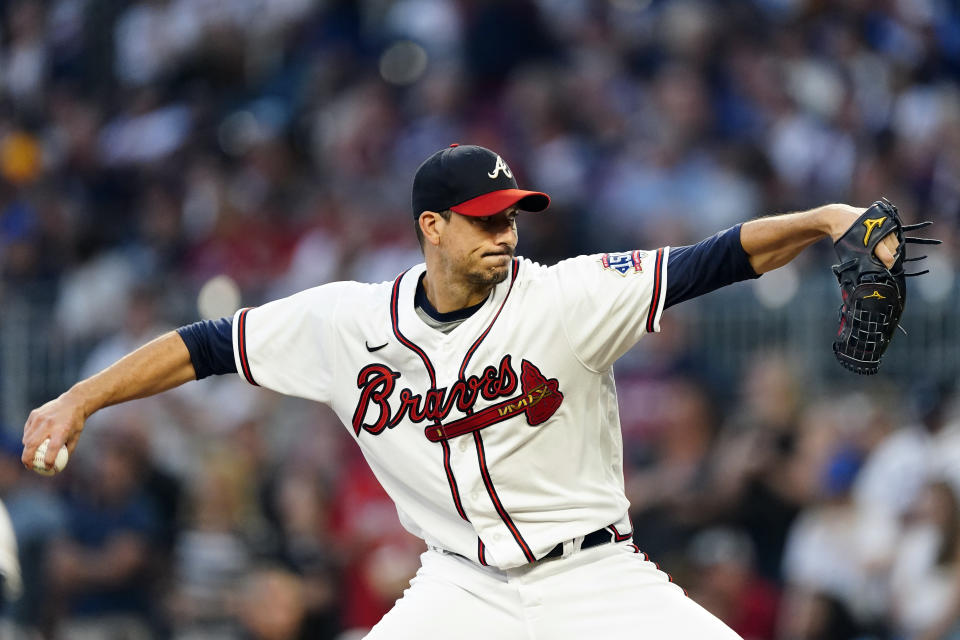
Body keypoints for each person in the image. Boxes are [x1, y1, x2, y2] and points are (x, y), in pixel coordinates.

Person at [22, 144, 902, 638]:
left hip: (594, 575)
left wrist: (826, 220)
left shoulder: (566, 296)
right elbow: (205, 346)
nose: (507, 233)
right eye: (486, 221)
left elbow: (720, 258)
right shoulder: (348, 322)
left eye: (513, 215)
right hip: (460, 590)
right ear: (431, 229)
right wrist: (82, 399)